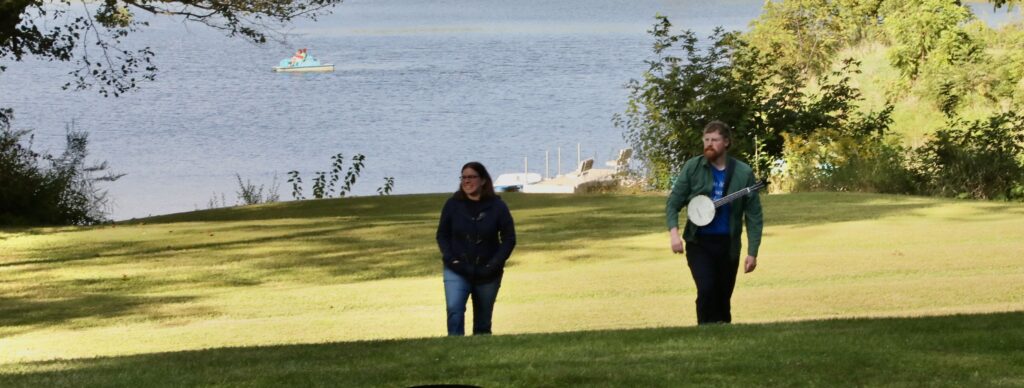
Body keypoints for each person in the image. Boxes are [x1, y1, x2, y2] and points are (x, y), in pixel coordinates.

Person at [665, 120, 763, 325]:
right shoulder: (693, 168)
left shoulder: (743, 173)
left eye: (715, 140)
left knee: (723, 296)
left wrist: (752, 252)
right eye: (706, 139)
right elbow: (673, 204)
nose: (709, 144)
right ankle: (704, 331)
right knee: (706, 288)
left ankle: (723, 334)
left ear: (726, 142)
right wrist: (674, 235)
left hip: (728, 244)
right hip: (699, 242)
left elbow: (753, 216)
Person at [436, 161, 517, 336]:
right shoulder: (452, 205)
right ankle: (455, 351)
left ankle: (480, 356)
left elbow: (509, 239)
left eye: (471, 177)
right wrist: (451, 259)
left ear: (483, 180)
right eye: (464, 177)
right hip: (456, 269)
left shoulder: (498, 206)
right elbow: (442, 235)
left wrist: (494, 264)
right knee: (454, 311)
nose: (467, 181)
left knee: (483, 321)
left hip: (488, 272)